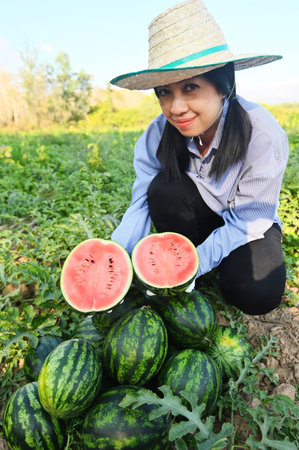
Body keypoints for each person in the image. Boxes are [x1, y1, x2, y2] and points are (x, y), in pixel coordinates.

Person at [109, 0, 289, 315]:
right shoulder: (156, 133)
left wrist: (195, 264)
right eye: (164, 92)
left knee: (258, 292)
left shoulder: (262, 134)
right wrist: (116, 260)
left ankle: (204, 260)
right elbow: (140, 203)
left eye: (190, 87)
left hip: (246, 223)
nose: (175, 108)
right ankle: (188, 251)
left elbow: (248, 220)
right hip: (198, 217)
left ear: (224, 86)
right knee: (162, 188)